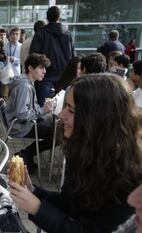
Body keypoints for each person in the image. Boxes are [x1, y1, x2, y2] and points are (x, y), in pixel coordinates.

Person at [9, 73, 142, 233]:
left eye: (71, 110)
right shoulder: (84, 151)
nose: (61, 114)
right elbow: (70, 203)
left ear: (98, 118)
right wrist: (33, 192)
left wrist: (37, 208)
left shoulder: (129, 178)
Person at [5, 53, 53, 172]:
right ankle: (25, 155)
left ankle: (27, 156)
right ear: (30, 68)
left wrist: (43, 110)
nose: (44, 71)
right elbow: (21, 113)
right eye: (41, 68)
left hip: (23, 123)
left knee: (53, 128)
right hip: (21, 126)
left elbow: (28, 107)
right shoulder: (24, 86)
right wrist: (43, 110)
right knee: (56, 133)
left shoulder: (27, 82)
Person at [30, 6, 75, 106]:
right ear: (59, 17)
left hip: (44, 74)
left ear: (47, 18)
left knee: (44, 107)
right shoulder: (68, 35)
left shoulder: (40, 34)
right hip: (64, 74)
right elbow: (72, 56)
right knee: (63, 105)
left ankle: (45, 122)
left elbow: (33, 56)